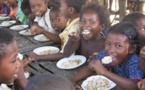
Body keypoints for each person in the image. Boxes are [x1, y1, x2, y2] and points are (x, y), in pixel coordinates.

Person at [89, 22, 144, 90]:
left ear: (131, 48)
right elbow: (94, 64)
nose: (111, 50)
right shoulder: (107, 53)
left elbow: (135, 86)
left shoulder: (134, 61)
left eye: (118, 46)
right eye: (108, 43)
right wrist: (73, 80)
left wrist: (105, 72)